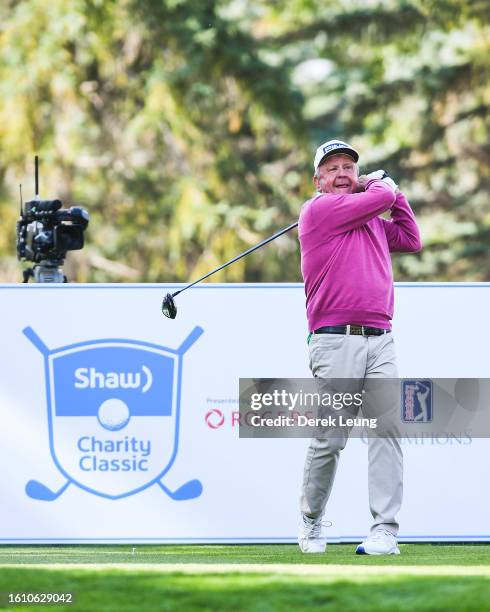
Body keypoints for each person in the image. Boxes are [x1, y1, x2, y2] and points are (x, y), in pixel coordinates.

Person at [297, 139, 422, 555]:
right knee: (331, 437)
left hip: (381, 337)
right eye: (331, 168)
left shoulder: (370, 220)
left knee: (387, 431)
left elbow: (409, 238)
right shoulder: (317, 212)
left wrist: (396, 195)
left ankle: (385, 529)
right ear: (318, 182)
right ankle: (311, 520)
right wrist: (386, 187)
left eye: (349, 167)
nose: (342, 174)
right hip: (335, 341)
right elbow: (382, 195)